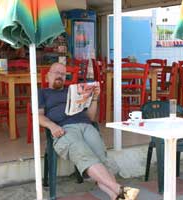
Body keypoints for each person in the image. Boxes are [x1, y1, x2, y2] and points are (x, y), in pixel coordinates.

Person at [38, 63, 140, 200]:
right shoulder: (43, 93)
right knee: (84, 155)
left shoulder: (73, 90)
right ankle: (120, 190)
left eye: (62, 74)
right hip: (64, 129)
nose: (59, 76)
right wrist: (52, 126)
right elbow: (38, 115)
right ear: (48, 75)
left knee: (102, 161)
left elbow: (91, 117)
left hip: (86, 125)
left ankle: (115, 196)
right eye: (56, 72)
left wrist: (95, 97)